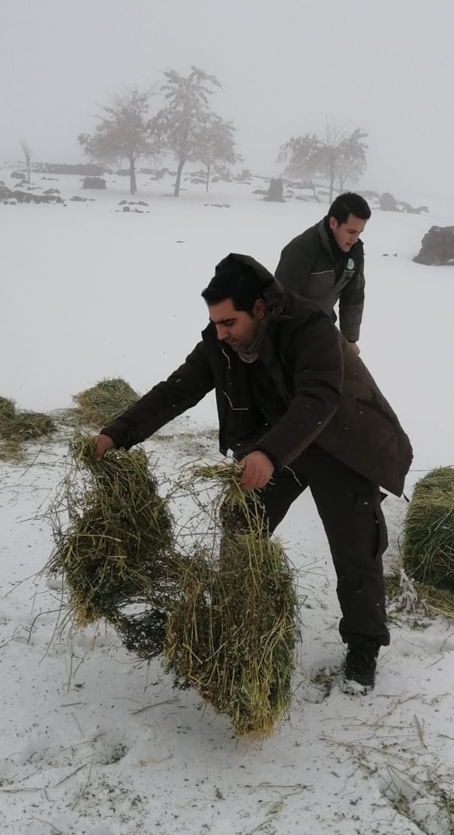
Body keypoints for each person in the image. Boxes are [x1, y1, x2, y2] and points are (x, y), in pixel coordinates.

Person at [93, 254, 413, 693]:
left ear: (259, 309)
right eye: (215, 323)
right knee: (240, 523)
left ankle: (363, 647)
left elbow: (318, 398)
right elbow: (176, 391)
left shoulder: (310, 328)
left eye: (229, 322)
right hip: (275, 446)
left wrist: (268, 453)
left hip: (341, 444)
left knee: (357, 548)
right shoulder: (220, 343)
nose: (221, 333)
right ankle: (235, 618)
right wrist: (117, 433)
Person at [275, 192, 372, 354]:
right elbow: (282, 302)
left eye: (360, 232)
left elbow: (353, 297)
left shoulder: (355, 251)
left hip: (323, 325)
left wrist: (350, 340)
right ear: (333, 223)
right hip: (291, 332)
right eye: (351, 231)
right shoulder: (301, 250)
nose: (355, 239)